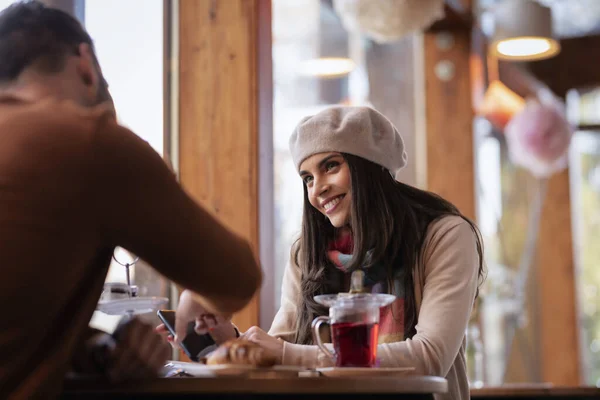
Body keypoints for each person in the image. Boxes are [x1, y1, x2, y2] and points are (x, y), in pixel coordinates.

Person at [0, 2, 261, 399]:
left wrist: (100, 346)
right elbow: (237, 279)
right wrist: (195, 297)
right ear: (85, 64)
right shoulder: (88, 141)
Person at [175, 106, 484, 400]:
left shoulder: (444, 235)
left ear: (371, 167)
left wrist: (284, 353)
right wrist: (227, 337)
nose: (317, 189)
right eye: (307, 178)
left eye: (331, 166)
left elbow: (431, 357)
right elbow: (285, 349)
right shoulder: (305, 253)